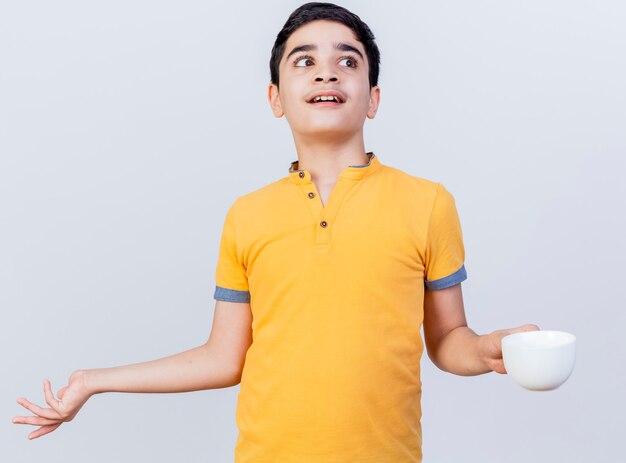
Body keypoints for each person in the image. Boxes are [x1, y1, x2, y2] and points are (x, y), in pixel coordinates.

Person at [13, 2, 539, 461]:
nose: (327, 74)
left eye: (347, 61)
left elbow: (448, 340)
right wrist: (93, 382)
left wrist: (488, 347)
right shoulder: (248, 215)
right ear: (276, 98)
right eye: (304, 61)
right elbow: (224, 357)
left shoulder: (428, 203)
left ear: (373, 98)